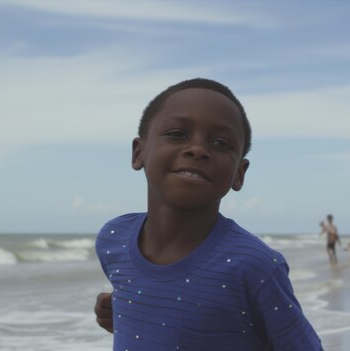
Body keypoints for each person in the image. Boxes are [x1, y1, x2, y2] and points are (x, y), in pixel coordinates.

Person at [93, 78, 322, 350]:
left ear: (239, 173)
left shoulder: (255, 266)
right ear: (138, 152)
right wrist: (124, 312)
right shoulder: (113, 239)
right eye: (178, 134)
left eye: (221, 143)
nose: (198, 149)